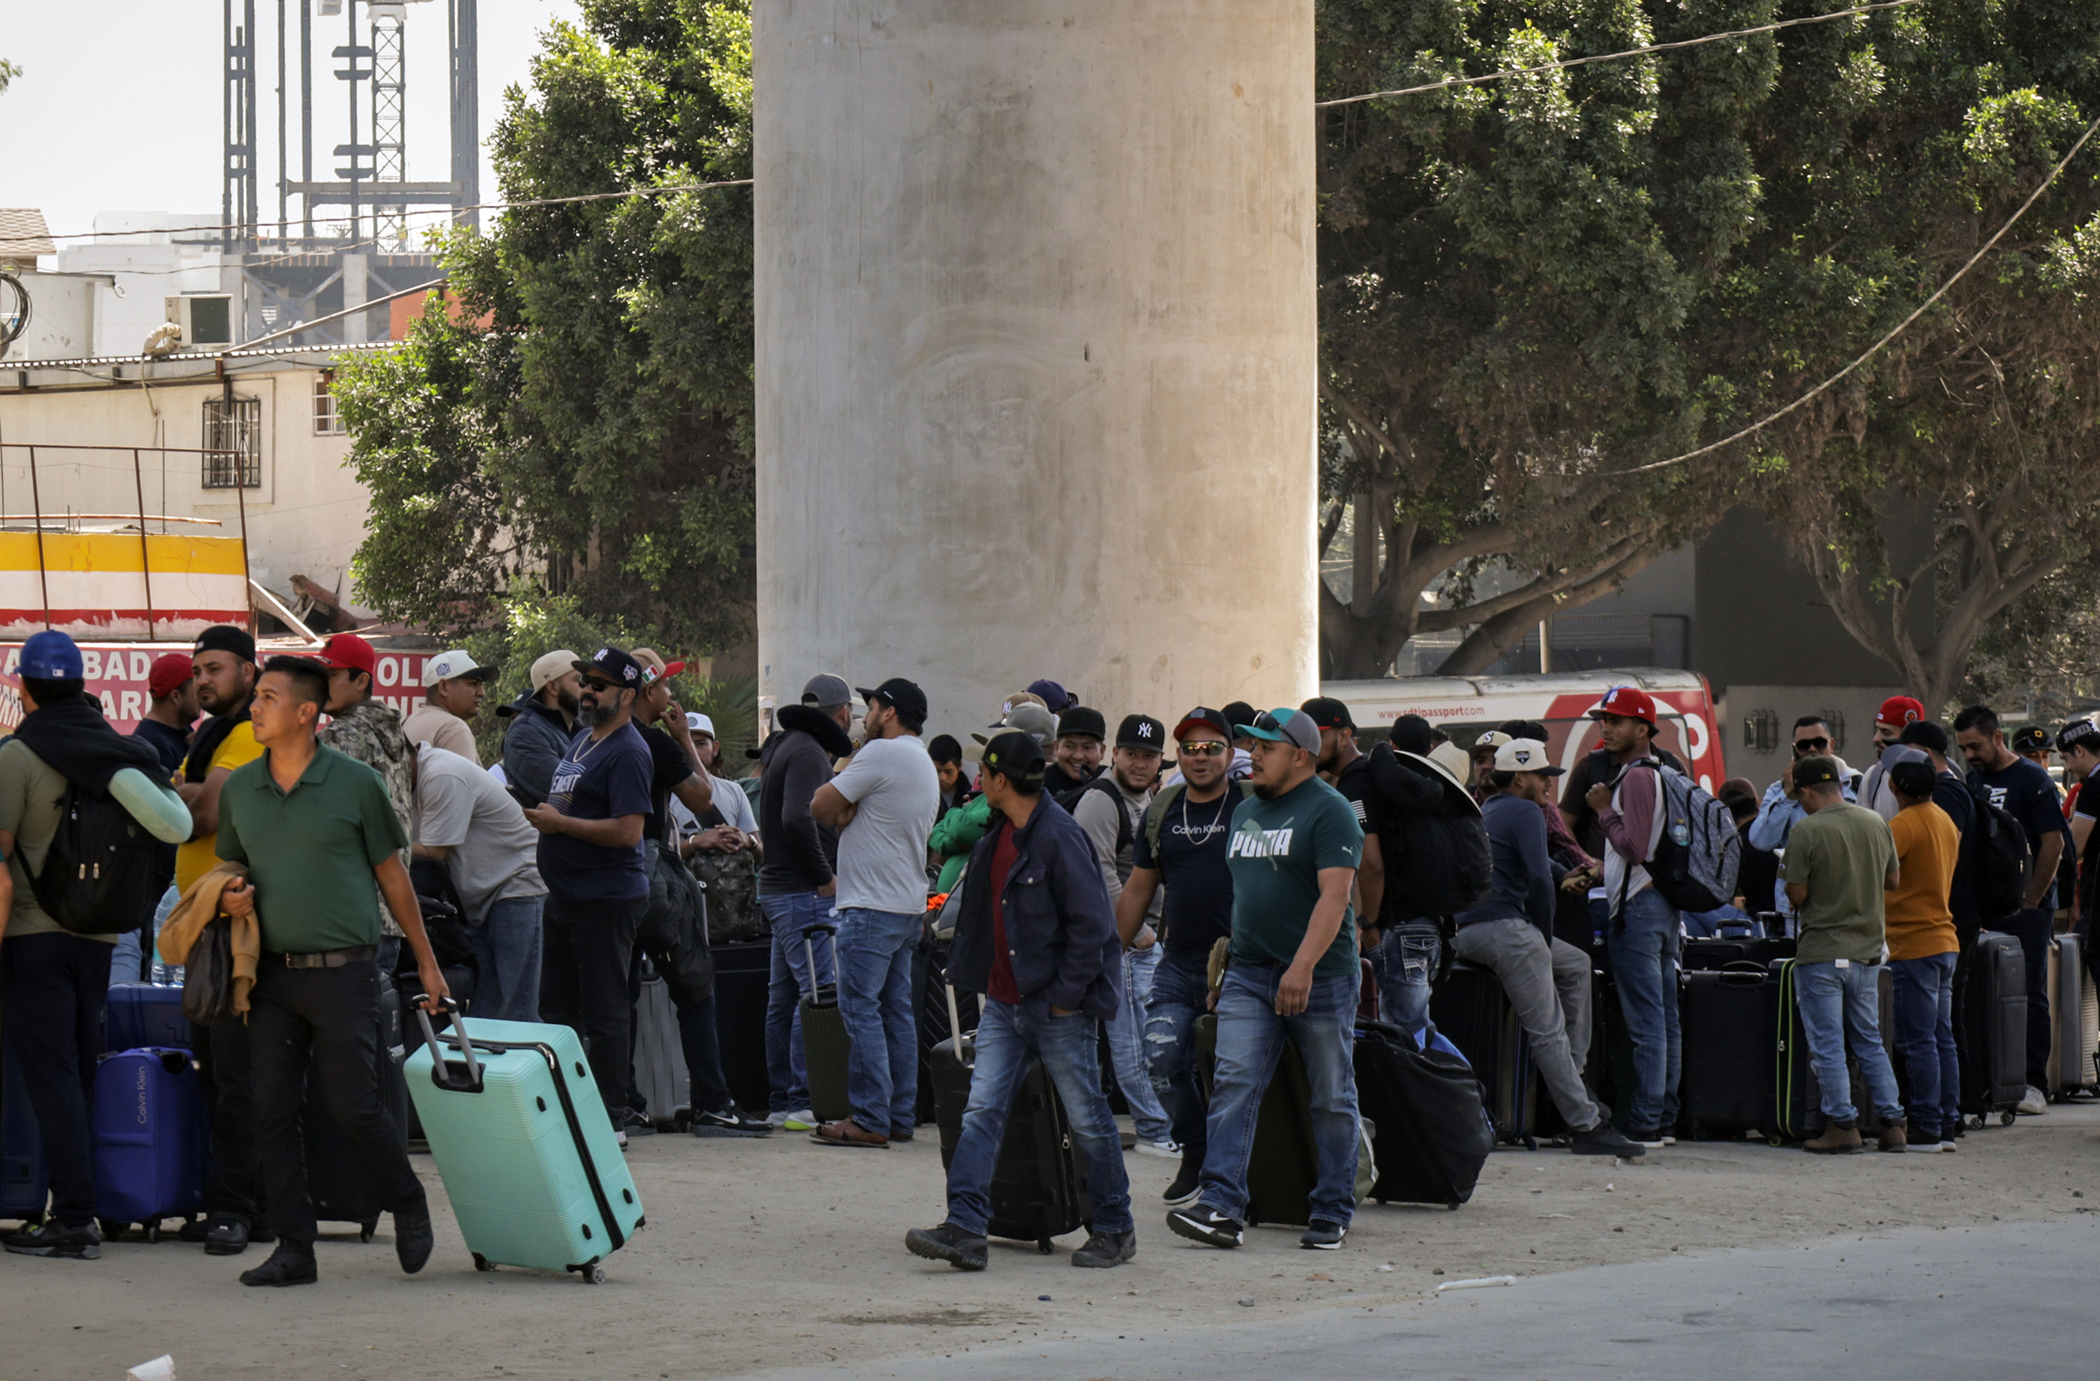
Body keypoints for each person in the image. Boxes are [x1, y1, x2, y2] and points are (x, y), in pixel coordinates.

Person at [215, 655, 451, 1286]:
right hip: (268, 975)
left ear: (306, 712)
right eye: (255, 695)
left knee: (353, 1104)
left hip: (347, 970)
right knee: (272, 1109)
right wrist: (230, 894)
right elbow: (229, 867)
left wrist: (427, 965)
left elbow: (394, 877)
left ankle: (406, 1198)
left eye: (267, 696)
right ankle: (296, 1248)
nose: (255, 706)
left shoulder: (355, 784)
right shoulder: (240, 789)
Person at [904, 730, 1134, 1271]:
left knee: (1088, 1118)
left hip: (1054, 1007)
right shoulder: (1000, 831)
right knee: (981, 1111)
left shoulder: (1058, 836)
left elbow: (1093, 927)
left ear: (1000, 780)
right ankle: (965, 1227)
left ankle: (1115, 1227)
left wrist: (1064, 1001)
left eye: (984, 773)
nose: (977, 781)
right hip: (1008, 1005)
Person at [0, 632, 188, 1261]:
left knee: (49, 1077)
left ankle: (73, 1218)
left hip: (32, 938)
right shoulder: (117, 752)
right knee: (78, 1070)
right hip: (99, 937)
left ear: (24, 688)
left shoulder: (18, 756)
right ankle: (82, 1207)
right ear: (83, 686)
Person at [1167, 707, 1364, 1252]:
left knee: (1330, 1094)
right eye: (1250, 744)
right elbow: (1248, 896)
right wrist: (1225, 966)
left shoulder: (1331, 812)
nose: (1253, 754)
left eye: (1266, 747)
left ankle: (1331, 1209)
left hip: (1320, 976)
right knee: (1233, 1083)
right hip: (1250, 973)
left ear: (1300, 756)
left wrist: (1301, 967)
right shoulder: (1247, 809)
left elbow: (1336, 896)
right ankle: (1221, 1205)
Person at [1459, 739, 1642, 1156]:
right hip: (1508, 930)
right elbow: (1539, 880)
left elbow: (1515, 872)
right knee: (1548, 1029)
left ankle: (1571, 1081)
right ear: (1520, 777)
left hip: (1471, 930)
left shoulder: (1485, 810)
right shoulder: (1526, 810)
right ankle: (1585, 1122)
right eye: (1543, 776)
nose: (1549, 785)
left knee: (1576, 965)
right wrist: (1540, 936)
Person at [625, 650, 767, 1138]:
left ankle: (626, 1106)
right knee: (694, 985)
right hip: (652, 871)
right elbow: (701, 797)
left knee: (618, 993)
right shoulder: (652, 743)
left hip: (609, 878)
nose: (671, 694)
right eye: (664, 686)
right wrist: (681, 738)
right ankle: (712, 1103)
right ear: (647, 693)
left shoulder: (595, 739)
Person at [522, 646, 656, 1143]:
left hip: (605, 898)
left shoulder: (628, 750)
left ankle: (610, 1117)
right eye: (586, 681)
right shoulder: (582, 739)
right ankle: (568, 1108)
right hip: (566, 895)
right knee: (556, 1009)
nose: (588, 691)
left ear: (626, 695)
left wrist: (561, 824)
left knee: (604, 1012)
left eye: (599, 685)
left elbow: (627, 832)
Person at [1117, 707, 1246, 1205]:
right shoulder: (1163, 809)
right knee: (1162, 1057)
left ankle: (1232, 1172)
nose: (1201, 757)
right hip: (1177, 961)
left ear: (1229, 754)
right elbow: (1137, 892)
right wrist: (1109, 957)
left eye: (1212, 747)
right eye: (1190, 748)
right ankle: (1195, 1151)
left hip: (1242, 965)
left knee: (1234, 1072)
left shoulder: (1251, 805)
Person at [173, 625, 270, 1254]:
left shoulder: (244, 735)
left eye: (216, 668)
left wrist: (163, 792)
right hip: (203, 924)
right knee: (215, 1072)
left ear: (247, 670)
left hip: (236, 926)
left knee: (237, 1073)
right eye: (197, 670)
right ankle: (230, 1202)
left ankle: (240, 1209)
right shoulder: (209, 736)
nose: (203, 679)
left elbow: (202, 815)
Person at [810, 678, 939, 1148]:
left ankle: (868, 1117)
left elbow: (822, 805)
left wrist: (847, 805)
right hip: (906, 905)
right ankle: (898, 1114)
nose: (865, 713)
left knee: (860, 1010)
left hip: (869, 905)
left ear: (889, 711)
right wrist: (849, 809)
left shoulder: (881, 754)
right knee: (895, 1013)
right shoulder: (920, 759)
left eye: (871, 706)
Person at [1781, 754, 1905, 1154]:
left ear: (1805, 792)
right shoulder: (1875, 822)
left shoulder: (1806, 830)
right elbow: (1893, 879)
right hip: (1867, 952)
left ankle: (1842, 1125)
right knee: (1869, 1039)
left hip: (1821, 953)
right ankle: (1892, 1124)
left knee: (1828, 1043)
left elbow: (1797, 894)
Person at [1069, 713, 1177, 1159]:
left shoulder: (1143, 799)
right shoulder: (1100, 800)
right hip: (1125, 944)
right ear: (1114, 754)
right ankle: (1153, 1129)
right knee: (1133, 1040)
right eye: (1132, 753)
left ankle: (1157, 1126)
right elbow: (1098, 873)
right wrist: (1139, 934)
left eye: (1149, 756)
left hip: (1139, 941)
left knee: (1146, 1038)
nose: (1140, 763)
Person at [1956, 702, 2067, 1117]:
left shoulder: (2031, 779)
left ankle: (2034, 1082)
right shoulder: (1972, 781)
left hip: (2028, 909)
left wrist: (2032, 900)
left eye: (1976, 745)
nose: (1970, 754)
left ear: (1997, 737)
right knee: (1982, 993)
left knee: (2030, 994)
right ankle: (1992, 1078)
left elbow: (2053, 844)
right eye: (1963, 747)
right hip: (1985, 911)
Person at [1583, 685, 1681, 1146]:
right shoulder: (1658, 773)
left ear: (1642, 729)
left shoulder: (1638, 777)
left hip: (1639, 908)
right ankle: (1663, 1116)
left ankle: (1645, 1120)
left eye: (1616, 721)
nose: (1606, 727)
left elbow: (1635, 848)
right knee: (1663, 1019)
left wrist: (1603, 811)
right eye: (1604, 719)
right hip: (1658, 905)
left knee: (1647, 1022)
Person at [756, 673, 852, 1130]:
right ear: (844, 713)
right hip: (800, 892)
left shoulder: (782, 746)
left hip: (778, 891)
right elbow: (798, 818)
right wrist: (824, 877)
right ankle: (798, 1100)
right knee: (814, 996)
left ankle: (781, 1101)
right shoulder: (811, 753)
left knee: (783, 998)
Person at [412, 741, 547, 1022]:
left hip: (516, 883)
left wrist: (377, 841)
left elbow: (434, 852)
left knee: (517, 1006)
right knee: (485, 1009)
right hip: (479, 896)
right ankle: (483, 1066)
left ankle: (530, 1065)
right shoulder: (413, 779)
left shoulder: (440, 774)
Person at [314, 633, 414, 971]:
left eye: (330, 676)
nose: (318, 685)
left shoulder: (340, 735)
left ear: (361, 681)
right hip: (390, 913)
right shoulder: (390, 730)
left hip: (350, 920)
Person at [1883, 759, 1961, 1152]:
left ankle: (1926, 1126)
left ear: (1895, 788)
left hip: (1911, 943)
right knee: (1942, 1037)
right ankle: (1947, 1123)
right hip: (1945, 940)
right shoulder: (1944, 820)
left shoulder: (1903, 825)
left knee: (1917, 1040)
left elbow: (1879, 872)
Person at [1746, 717, 1860, 925]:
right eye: (1804, 745)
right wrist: (1789, 794)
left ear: (1831, 744)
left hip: (1846, 901)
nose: (1812, 749)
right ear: (1794, 749)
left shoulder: (1856, 785)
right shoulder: (1780, 790)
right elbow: (1760, 841)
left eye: (1820, 742)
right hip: (1797, 909)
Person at [1304, 697, 1385, 938]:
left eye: (1317, 737)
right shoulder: (1362, 775)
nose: (1309, 747)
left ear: (1344, 735)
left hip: (1394, 927)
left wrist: (1368, 924)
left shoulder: (1355, 782)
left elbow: (1370, 864)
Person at [497, 649, 582, 807]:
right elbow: (568, 793)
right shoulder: (525, 732)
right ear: (553, 688)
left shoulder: (582, 728)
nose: (587, 688)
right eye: (579, 680)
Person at [404, 649, 493, 764]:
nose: (482, 692)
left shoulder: (408, 721)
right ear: (444, 687)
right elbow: (462, 781)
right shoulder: (454, 728)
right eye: (473, 683)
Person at [1858, 696, 1926, 820]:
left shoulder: (1937, 779)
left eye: (1886, 733)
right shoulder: (1873, 775)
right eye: (1877, 729)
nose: (1876, 738)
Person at [134, 652, 200, 774]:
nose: (201, 696)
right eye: (196, 689)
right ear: (176, 697)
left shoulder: (180, 728)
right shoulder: (154, 746)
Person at [1044, 705, 1107, 798]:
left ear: (1101, 751)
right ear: (1056, 747)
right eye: (1070, 746)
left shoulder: (1112, 784)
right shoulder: (1038, 786)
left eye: (1088, 748)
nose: (1078, 756)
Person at [928, 734, 971, 815]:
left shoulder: (971, 798)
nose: (942, 778)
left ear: (959, 766)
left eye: (948, 772)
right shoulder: (922, 794)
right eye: (937, 771)